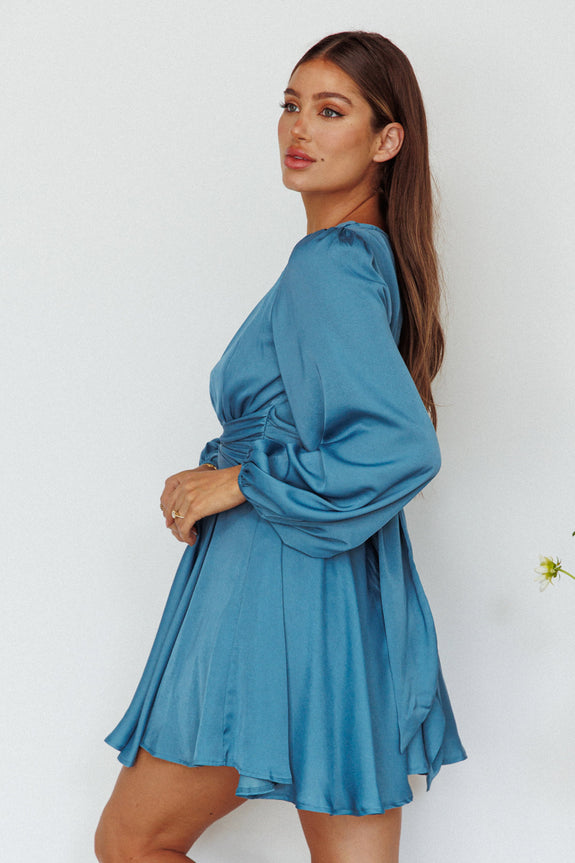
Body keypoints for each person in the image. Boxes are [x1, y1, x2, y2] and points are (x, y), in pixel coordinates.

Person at [95, 30, 467, 863]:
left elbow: (400, 445)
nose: (299, 128)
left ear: (386, 140)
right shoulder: (370, 258)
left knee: (133, 839)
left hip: (275, 580)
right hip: (345, 588)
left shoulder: (327, 265)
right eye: (291, 105)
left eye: (330, 111)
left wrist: (238, 480)